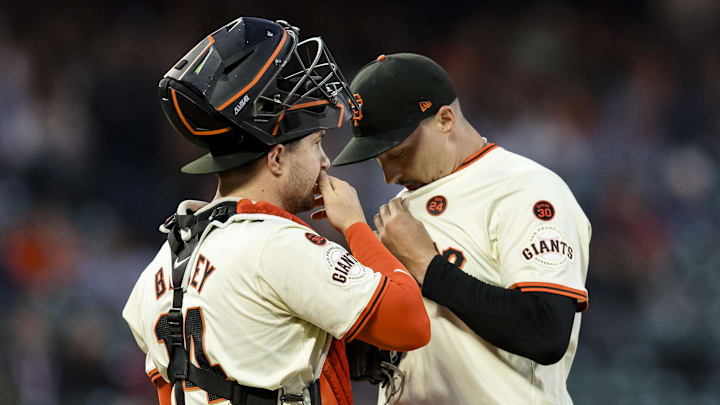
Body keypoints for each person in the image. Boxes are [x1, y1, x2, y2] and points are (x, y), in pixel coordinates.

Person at [122, 20, 430, 405]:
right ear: (277, 156)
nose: (326, 160)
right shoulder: (276, 242)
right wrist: (355, 226)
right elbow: (411, 322)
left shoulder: (161, 265)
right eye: (316, 143)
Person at [333, 53, 591, 405]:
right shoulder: (400, 213)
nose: (389, 176)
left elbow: (545, 331)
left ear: (445, 120)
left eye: (400, 155)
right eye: (379, 159)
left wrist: (429, 268)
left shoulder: (526, 189)